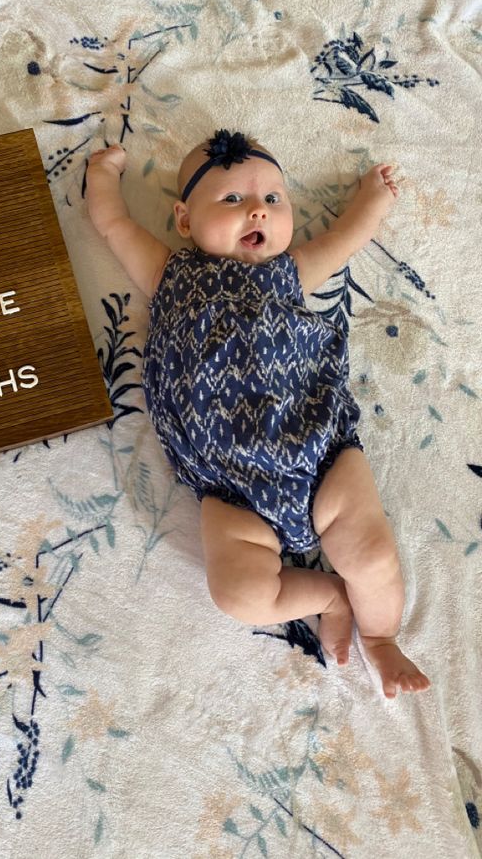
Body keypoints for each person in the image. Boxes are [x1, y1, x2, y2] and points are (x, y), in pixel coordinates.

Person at [84, 129, 431, 699]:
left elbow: (345, 238)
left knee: (369, 551)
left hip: (317, 447)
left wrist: (372, 200)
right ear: (184, 221)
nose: (256, 211)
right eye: (232, 200)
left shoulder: (287, 272)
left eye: (273, 200)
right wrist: (103, 177)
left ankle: (382, 636)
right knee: (237, 594)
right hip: (230, 488)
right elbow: (113, 225)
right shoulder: (169, 274)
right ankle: (326, 595)